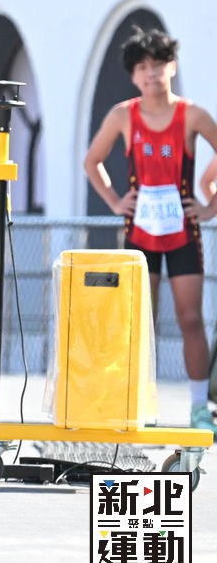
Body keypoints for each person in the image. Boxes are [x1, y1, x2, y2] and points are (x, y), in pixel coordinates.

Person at [82, 27, 217, 433]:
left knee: (190, 318)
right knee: (139, 321)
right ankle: (138, 402)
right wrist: (115, 202)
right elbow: (92, 161)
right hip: (140, 233)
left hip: (183, 233)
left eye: (158, 64)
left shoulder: (192, 115)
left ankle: (199, 408)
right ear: (133, 75)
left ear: (172, 67)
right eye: (142, 67)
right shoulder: (123, 115)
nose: (151, 73)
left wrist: (209, 205)